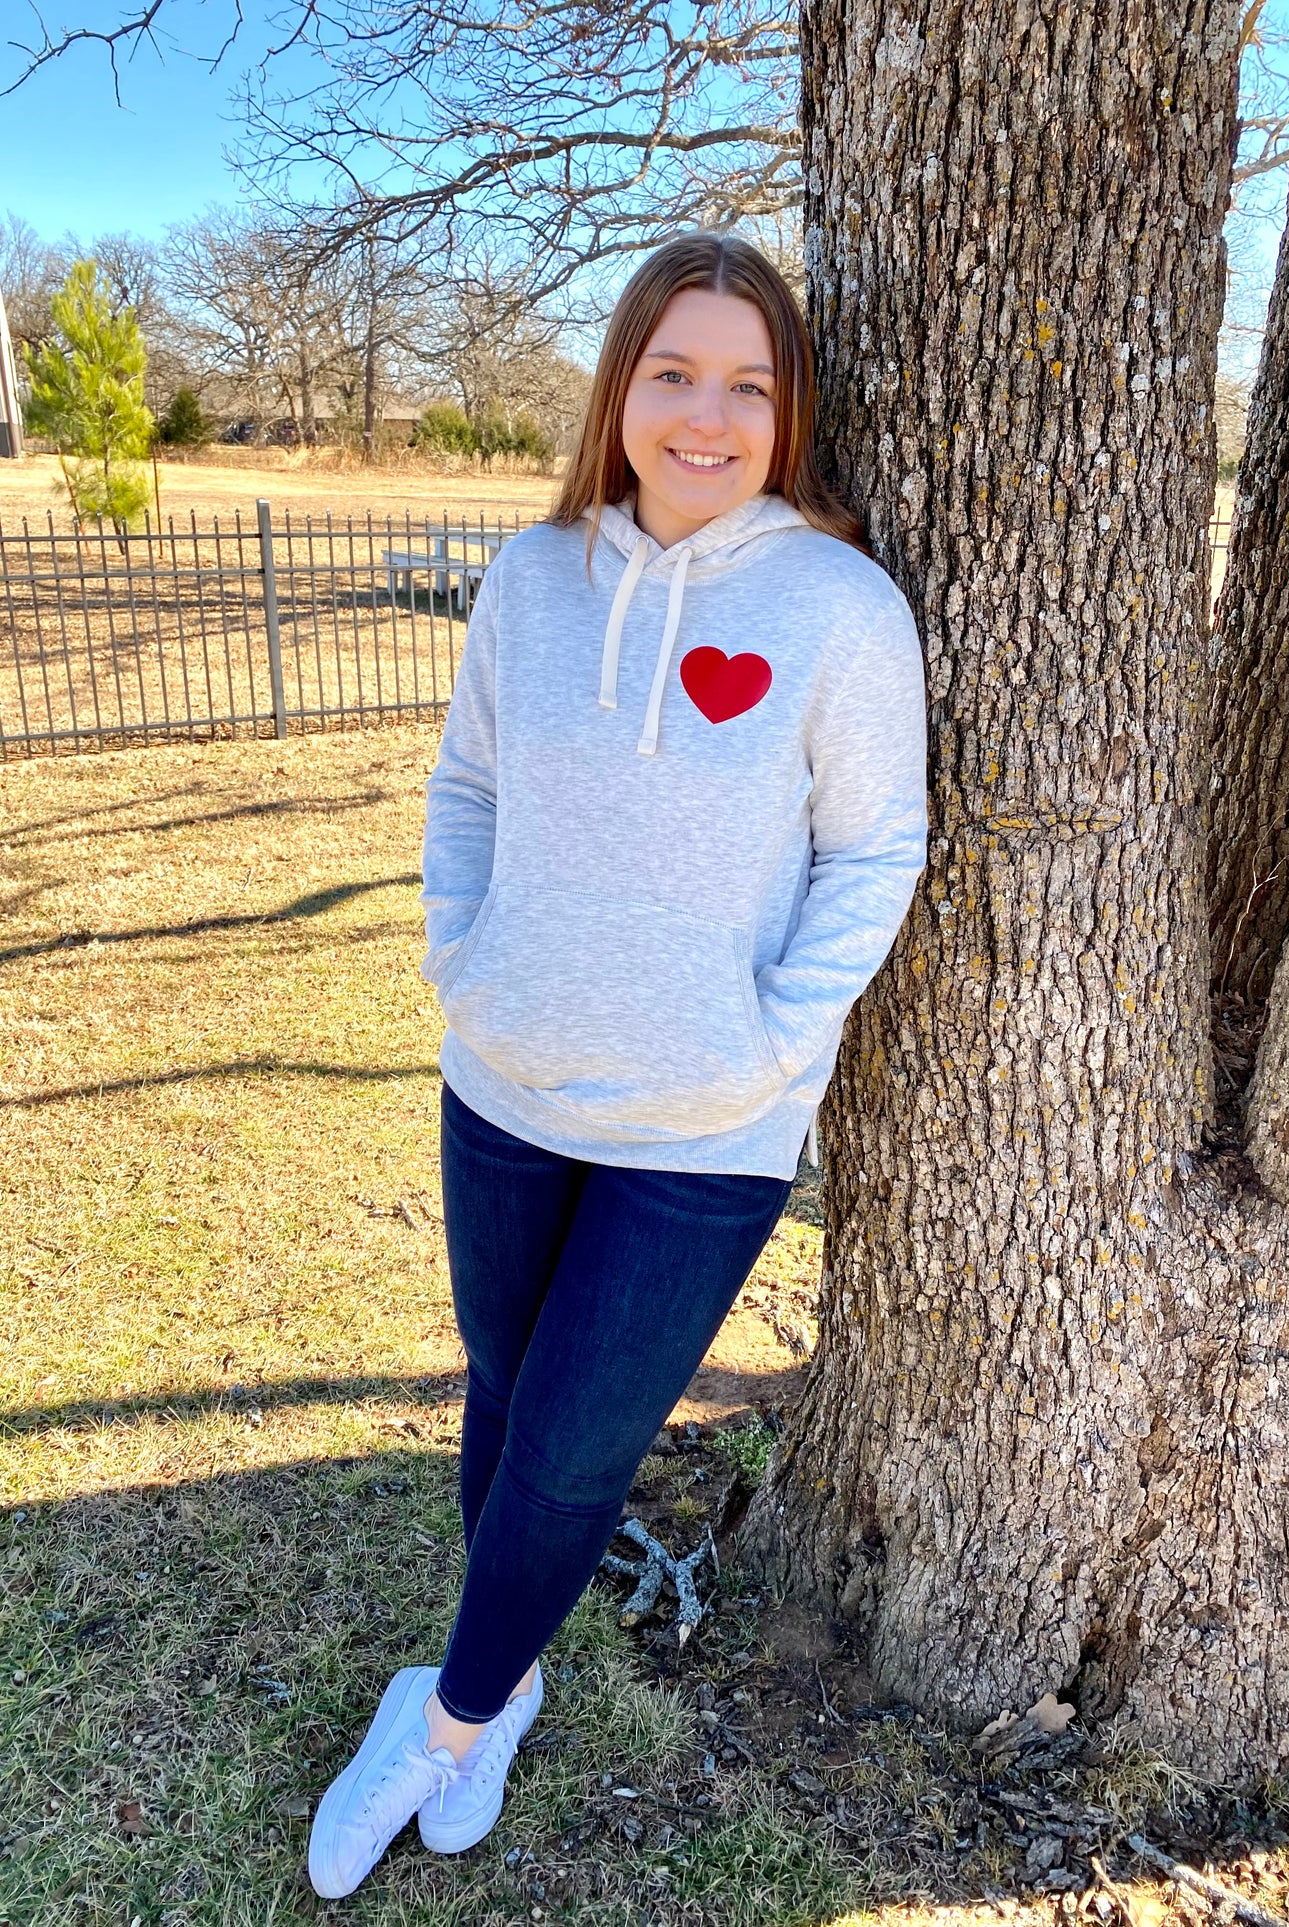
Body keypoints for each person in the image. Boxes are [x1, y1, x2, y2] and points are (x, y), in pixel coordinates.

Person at [307, 230, 929, 1899]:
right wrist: (465, 958)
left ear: (786, 410)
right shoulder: (529, 579)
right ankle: (495, 1688)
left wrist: (768, 1043)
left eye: (748, 382)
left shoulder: (835, 607)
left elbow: (875, 852)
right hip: (506, 1078)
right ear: (623, 389)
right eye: (673, 373)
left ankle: (440, 1716)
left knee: (581, 1443)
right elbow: (466, 788)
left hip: (704, 1128)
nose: (706, 415)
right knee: (507, 1396)